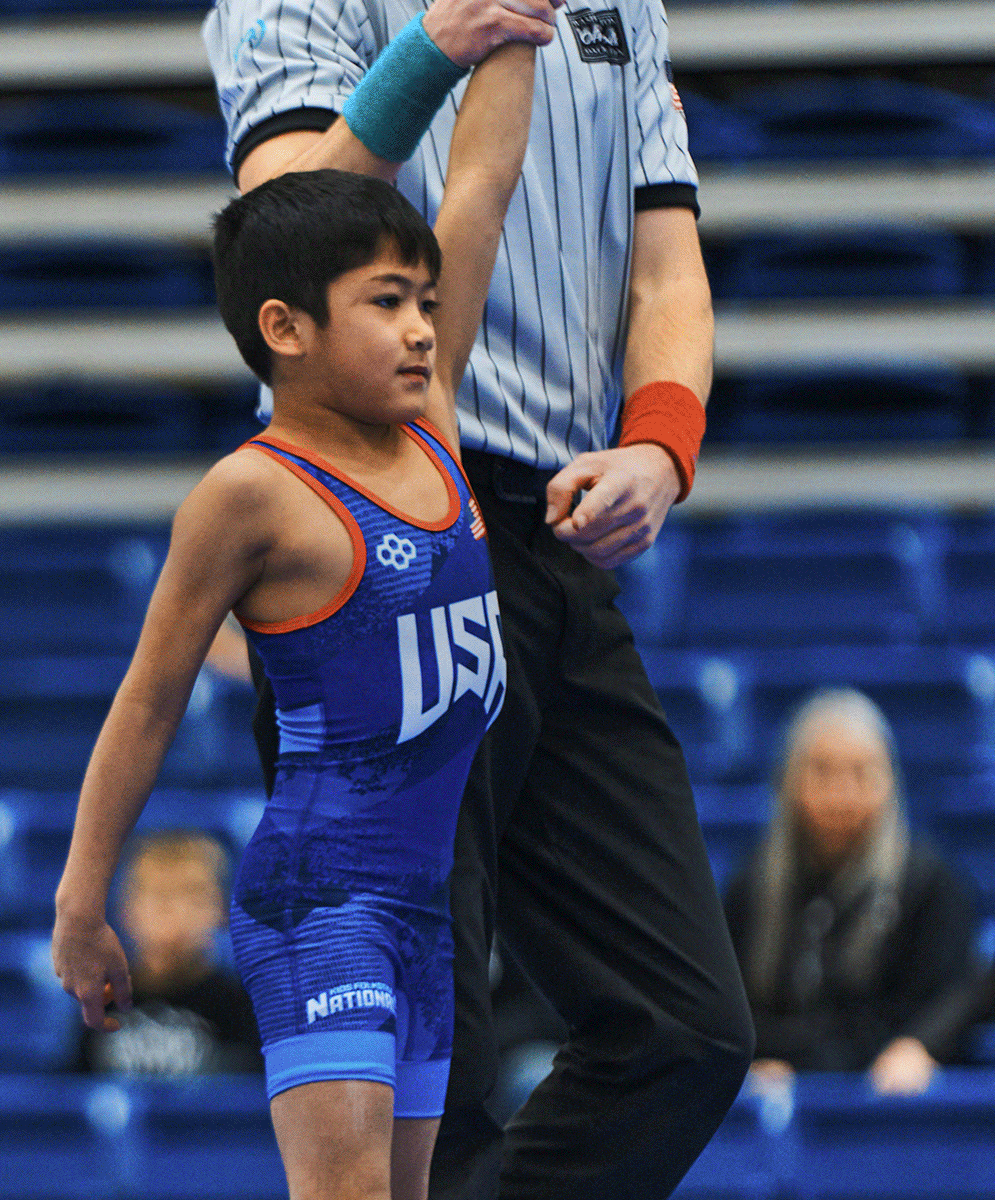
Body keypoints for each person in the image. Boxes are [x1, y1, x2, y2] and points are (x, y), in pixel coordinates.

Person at [203, 0, 755, 1197]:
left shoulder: (622, 8)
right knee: (421, 1057)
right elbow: (279, 245)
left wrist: (659, 446)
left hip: (556, 543)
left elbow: (667, 273)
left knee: (686, 1031)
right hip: (374, 536)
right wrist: (430, 49)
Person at [53, 36, 538, 1200]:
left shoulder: (433, 430)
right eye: (387, 304)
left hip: (425, 910)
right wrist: (80, 904)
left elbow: (479, 186)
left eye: (426, 301)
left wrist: (518, 26)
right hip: (322, 905)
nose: (424, 326)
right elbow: (152, 694)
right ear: (285, 330)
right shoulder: (252, 492)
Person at [724, 689, 978, 1096]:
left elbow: (950, 1000)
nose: (841, 795)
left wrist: (919, 1047)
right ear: (789, 781)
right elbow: (728, 1009)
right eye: (821, 772)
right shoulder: (749, 887)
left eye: (861, 773)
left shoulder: (932, 885)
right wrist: (749, 1063)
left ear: (889, 783)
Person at [75, 830, 262, 1076]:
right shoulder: (99, 999)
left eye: (194, 898)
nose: (178, 913)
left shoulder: (241, 1005)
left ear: (220, 910)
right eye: (162, 897)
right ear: (127, 910)